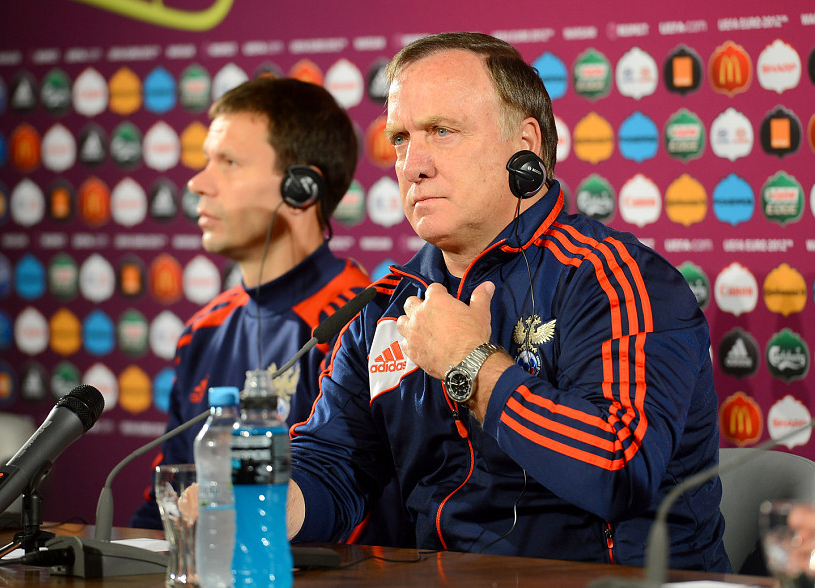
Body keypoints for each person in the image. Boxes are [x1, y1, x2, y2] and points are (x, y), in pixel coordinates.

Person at [285, 32, 731, 572]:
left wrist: (470, 365)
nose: (412, 164)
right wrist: (263, 507)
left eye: (442, 131)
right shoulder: (384, 308)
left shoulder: (615, 278)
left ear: (524, 144)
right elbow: (333, 464)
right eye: (400, 138)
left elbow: (619, 466)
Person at [130, 77, 371, 529]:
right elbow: (170, 503)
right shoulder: (202, 331)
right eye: (207, 160)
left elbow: (357, 508)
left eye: (229, 163)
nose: (198, 182)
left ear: (301, 189)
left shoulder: (358, 324)